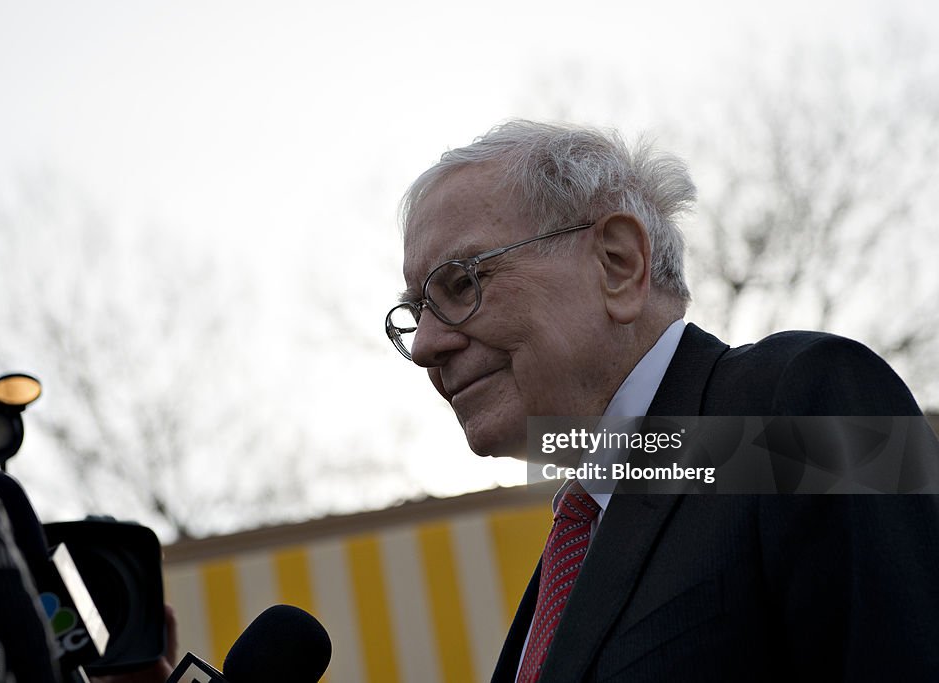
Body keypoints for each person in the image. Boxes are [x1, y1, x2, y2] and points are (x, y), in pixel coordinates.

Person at [385, 120, 939, 682]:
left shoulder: (804, 400)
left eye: (460, 284)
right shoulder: (575, 545)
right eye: (416, 310)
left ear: (618, 264)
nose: (427, 345)